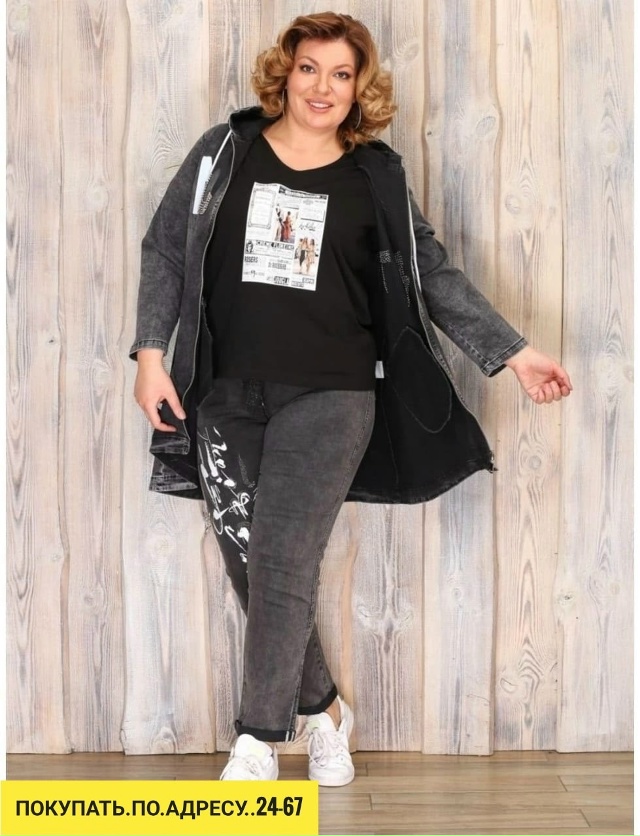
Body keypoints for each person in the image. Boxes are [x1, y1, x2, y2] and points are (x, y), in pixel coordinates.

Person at [131, 12, 572, 785]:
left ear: (360, 87)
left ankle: (257, 742)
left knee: (282, 558)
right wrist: (149, 355)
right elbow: (168, 247)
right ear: (285, 73)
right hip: (223, 395)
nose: (323, 87)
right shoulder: (224, 152)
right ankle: (326, 711)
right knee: (254, 565)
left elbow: (431, 274)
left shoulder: (376, 176)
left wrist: (513, 353)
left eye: (342, 74)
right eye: (310, 68)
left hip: (332, 396)